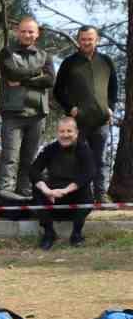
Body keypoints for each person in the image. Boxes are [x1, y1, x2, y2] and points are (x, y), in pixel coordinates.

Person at [52, 25, 118, 203]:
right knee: (78, 160)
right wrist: (70, 108)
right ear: (79, 40)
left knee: (100, 161)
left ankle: (100, 197)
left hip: (101, 121)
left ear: (97, 40)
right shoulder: (69, 62)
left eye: (90, 39)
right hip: (78, 123)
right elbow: (58, 91)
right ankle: (80, 197)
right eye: (83, 39)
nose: (86, 42)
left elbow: (113, 89)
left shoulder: (106, 61)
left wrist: (110, 108)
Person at [0, 15, 55, 197]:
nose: (27, 34)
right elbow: (12, 73)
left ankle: (25, 192)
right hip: (13, 113)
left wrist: (23, 80)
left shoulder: (45, 56)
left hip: (37, 113)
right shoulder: (6, 53)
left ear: (37, 34)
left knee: (29, 158)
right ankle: (4, 192)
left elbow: (50, 80)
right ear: (17, 32)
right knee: (10, 157)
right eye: (23, 31)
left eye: (31, 31)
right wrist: (37, 73)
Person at [30, 115, 96, 249]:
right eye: (62, 131)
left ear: (76, 133)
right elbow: (34, 170)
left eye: (69, 131)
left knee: (86, 192)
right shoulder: (50, 149)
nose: (65, 135)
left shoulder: (84, 149)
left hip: (75, 196)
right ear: (57, 133)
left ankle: (76, 235)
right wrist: (46, 190)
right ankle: (49, 234)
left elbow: (89, 173)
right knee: (36, 191)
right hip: (52, 197)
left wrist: (66, 190)